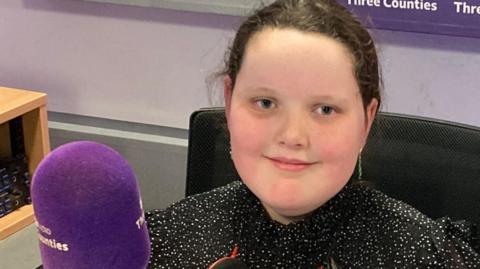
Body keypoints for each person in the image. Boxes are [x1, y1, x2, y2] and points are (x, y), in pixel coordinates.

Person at [146, 0, 480, 268]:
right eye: (265, 102)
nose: (292, 136)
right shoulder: (162, 241)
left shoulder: (427, 256)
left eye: (325, 110)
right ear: (229, 101)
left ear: (367, 120)